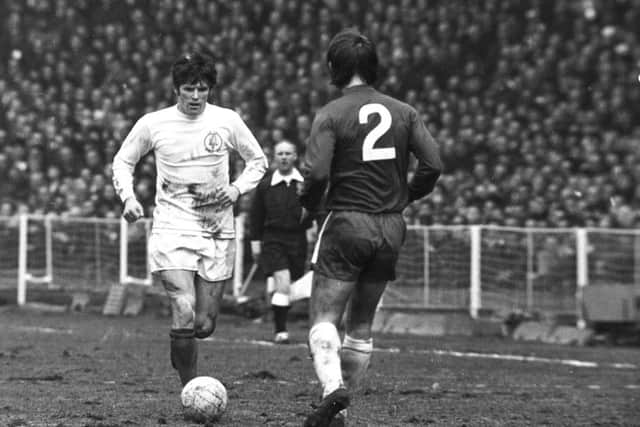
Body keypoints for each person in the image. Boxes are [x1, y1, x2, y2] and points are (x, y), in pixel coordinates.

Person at [298, 30, 443, 427]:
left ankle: (333, 395)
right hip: (391, 227)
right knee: (360, 325)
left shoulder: (331, 113)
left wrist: (309, 206)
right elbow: (432, 165)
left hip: (346, 220)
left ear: (333, 68)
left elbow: (317, 173)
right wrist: (406, 197)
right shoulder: (405, 111)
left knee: (324, 318)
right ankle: (342, 410)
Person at [112, 52, 267, 387]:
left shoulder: (227, 121)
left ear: (210, 89)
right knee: (183, 307)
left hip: (216, 229)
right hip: (171, 227)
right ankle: (190, 387)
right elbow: (123, 161)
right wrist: (129, 198)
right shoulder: (153, 123)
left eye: (202, 89)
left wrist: (237, 189)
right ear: (175, 90)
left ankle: (182, 347)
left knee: (204, 324)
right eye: (188, 89)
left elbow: (258, 161)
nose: (196, 96)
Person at [249, 139, 312, 344]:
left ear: (295, 157)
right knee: (283, 281)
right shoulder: (266, 185)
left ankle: (276, 298)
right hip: (273, 239)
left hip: (297, 240)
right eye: (280, 154)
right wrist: (255, 242)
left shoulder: (304, 184)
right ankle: (281, 330)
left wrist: (312, 226)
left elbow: (314, 210)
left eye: (288, 153)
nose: (284, 157)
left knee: (289, 285)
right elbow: (256, 215)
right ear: (274, 157)